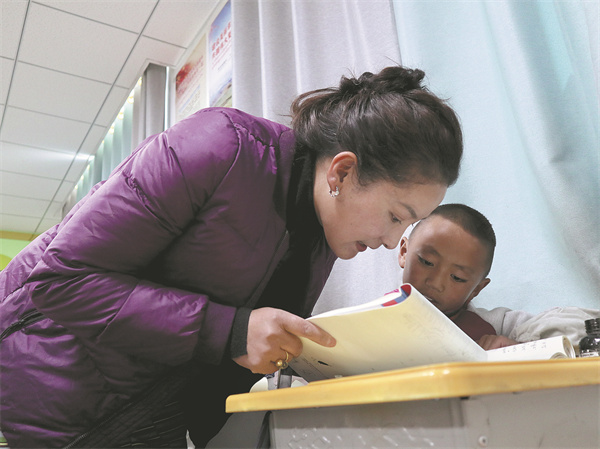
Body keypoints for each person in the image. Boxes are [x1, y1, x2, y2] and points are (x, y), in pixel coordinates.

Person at [0, 66, 463, 448]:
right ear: (341, 172)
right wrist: (233, 331)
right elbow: (59, 280)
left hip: (149, 413)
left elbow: (229, 347)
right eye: (396, 216)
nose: (392, 241)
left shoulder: (323, 233)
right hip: (48, 386)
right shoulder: (220, 147)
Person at [398, 203, 497, 343]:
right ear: (404, 253)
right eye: (427, 262)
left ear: (477, 289)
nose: (435, 284)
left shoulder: (481, 336)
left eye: (457, 277)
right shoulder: (376, 314)